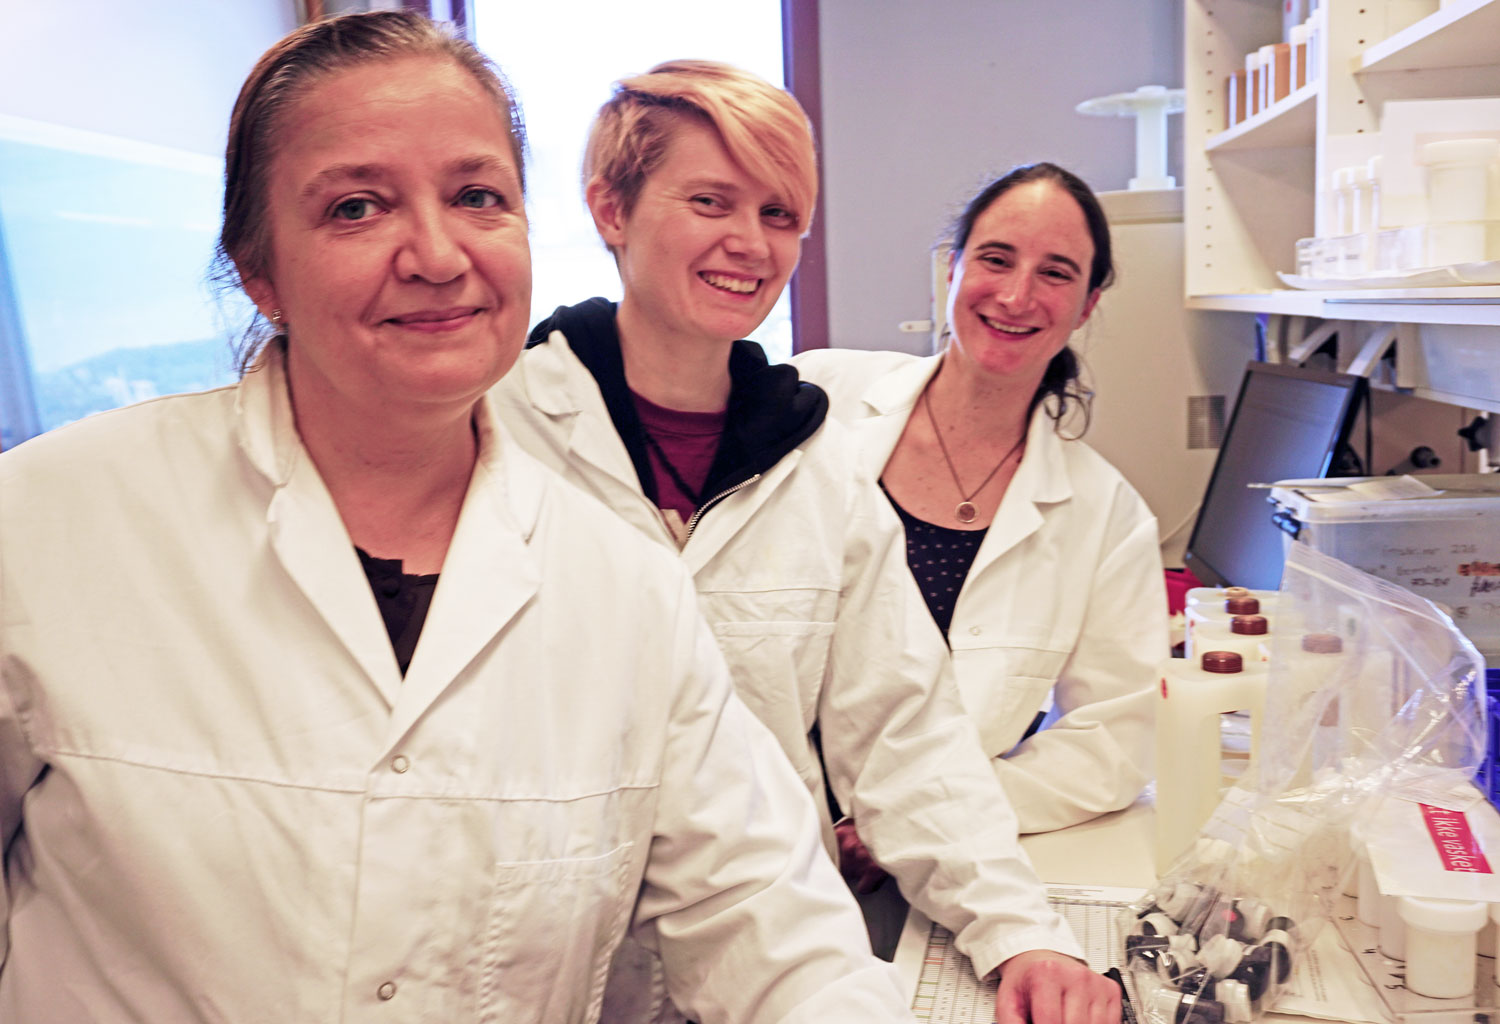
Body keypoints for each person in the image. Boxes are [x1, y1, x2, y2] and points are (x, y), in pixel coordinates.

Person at [0, 13, 917, 1022]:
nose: (437, 255)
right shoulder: (47, 523)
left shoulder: (625, 587)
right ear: (258, 268)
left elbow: (770, 924)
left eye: (478, 196)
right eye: (357, 207)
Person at [490, 62, 1120, 1024]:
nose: (750, 243)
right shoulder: (499, 432)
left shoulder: (813, 461)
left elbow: (902, 731)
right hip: (543, 965)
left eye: (781, 215)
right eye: (711, 201)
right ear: (610, 209)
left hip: (770, 959)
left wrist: (1019, 932)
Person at [794, 163, 1167, 835]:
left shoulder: (1107, 517)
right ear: (952, 269)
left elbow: (1113, 742)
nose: (1017, 296)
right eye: (996, 260)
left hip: (929, 864)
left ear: (1087, 304)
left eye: (1055, 273)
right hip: (752, 832)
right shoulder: (816, 397)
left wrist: (933, 816)